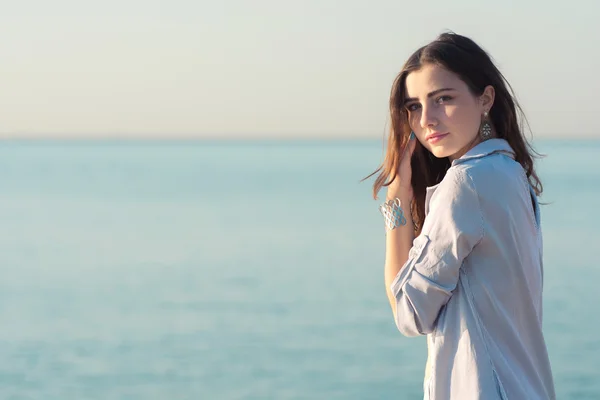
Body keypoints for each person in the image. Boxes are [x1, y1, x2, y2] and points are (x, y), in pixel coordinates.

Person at [366, 32, 556, 399]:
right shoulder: (510, 174)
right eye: (415, 106)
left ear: (485, 99)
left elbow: (409, 313)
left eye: (444, 99)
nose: (427, 120)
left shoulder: (465, 183)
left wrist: (397, 201)